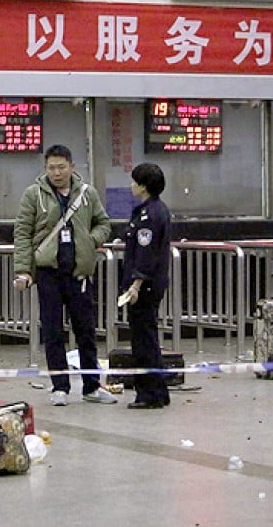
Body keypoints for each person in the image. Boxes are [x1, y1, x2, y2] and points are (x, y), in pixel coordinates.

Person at [13, 144, 118, 406]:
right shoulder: (33, 195)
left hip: (79, 273)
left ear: (72, 167)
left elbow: (104, 223)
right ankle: (60, 386)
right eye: (51, 168)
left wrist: (89, 241)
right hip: (49, 273)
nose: (57, 172)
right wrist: (24, 270)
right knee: (52, 331)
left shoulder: (87, 193)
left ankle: (92, 386)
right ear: (45, 169)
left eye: (61, 167)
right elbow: (22, 233)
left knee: (86, 330)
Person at [119, 162, 172, 410]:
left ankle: (148, 393)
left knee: (143, 339)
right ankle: (158, 390)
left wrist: (135, 285)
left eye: (134, 181)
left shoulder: (149, 215)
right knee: (147, 336)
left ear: (143, 186)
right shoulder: (153, 210)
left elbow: (146, 253)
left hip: (145, 286)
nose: (131, 186)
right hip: (149, 283)